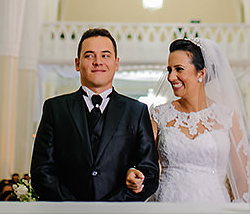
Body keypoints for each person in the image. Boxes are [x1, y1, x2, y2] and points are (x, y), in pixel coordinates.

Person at [31, 27, 160, 201]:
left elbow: (150, 173)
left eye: (105, 55)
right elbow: (41, 171)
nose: (98, 61)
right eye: (89, 55)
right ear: (77, 63)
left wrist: (112, 207)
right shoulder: (55, 109)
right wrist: (72, 208)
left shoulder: (136, 111)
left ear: (116, 63)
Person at [147, 38, 250, 203]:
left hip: (214, 206)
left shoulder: (228, 118)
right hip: (168, 204)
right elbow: (143, 165)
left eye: (179, 69)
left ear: (201, 73)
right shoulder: (159, 115)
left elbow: (240, 179)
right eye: (169, 70)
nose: (171, 77)